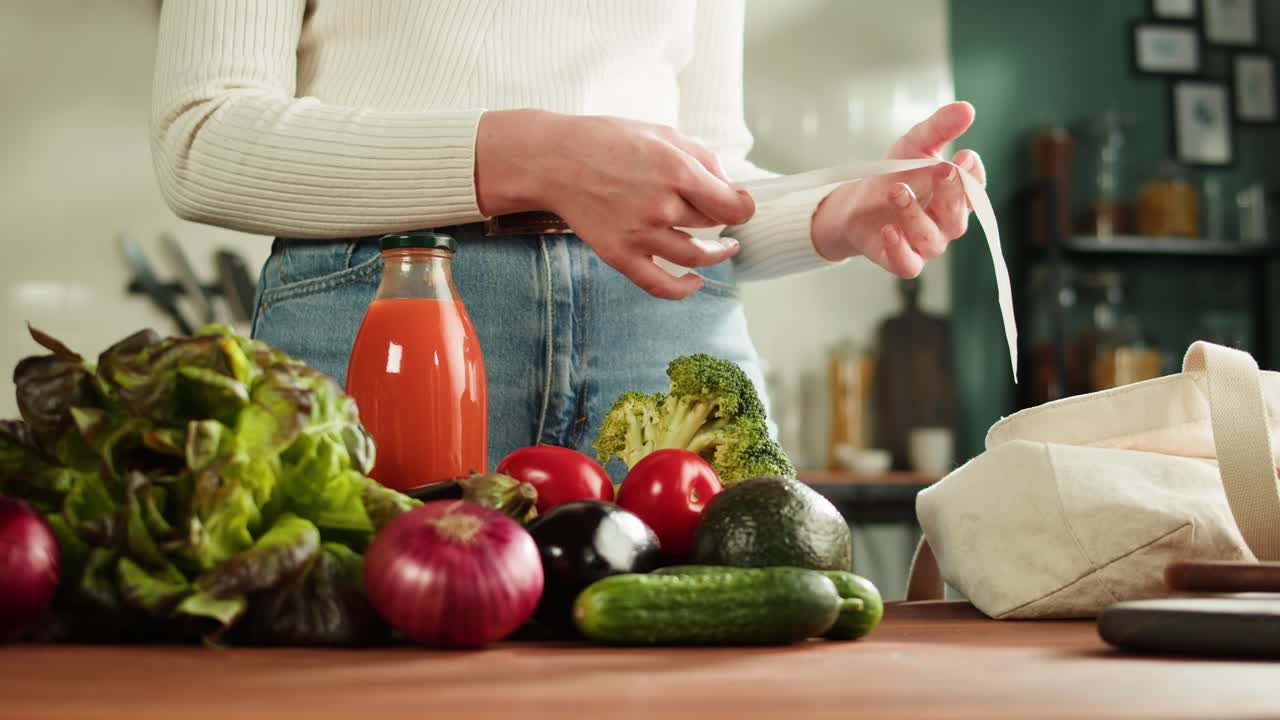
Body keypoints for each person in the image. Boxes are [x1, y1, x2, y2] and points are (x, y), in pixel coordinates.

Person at [150, 1, 987, 480]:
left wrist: (831, 217)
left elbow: (706, 166)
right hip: (393, 321)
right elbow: (204, 138)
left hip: (662, 337)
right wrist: (538, 156)